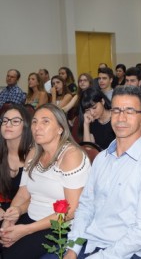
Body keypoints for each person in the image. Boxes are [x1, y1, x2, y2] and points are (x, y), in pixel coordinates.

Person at [63, 85, 141, 259]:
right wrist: (72, 249)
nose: (121, 118)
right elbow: (86, 207)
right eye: (116, 110)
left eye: (129, 111)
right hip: (92, 242)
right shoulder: (101, 159)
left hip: (129, 252)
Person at [0, 103, 91, 259]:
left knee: (11, 256)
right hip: (30, 217)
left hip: (58, 226)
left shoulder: (71, 156)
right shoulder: (34, 152)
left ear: (60, 129)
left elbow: (71, 211)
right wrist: (10, 219)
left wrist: (26, 229)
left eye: (45, 121)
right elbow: (23, 193)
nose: (37, 127)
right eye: (34, 122)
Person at [0, 104, 33, 214]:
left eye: (15, 121)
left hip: (25, 210)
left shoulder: (34, 154)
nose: (8, 124)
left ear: (26, 126)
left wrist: (16, 211)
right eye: (4, 121)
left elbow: (38, 196)